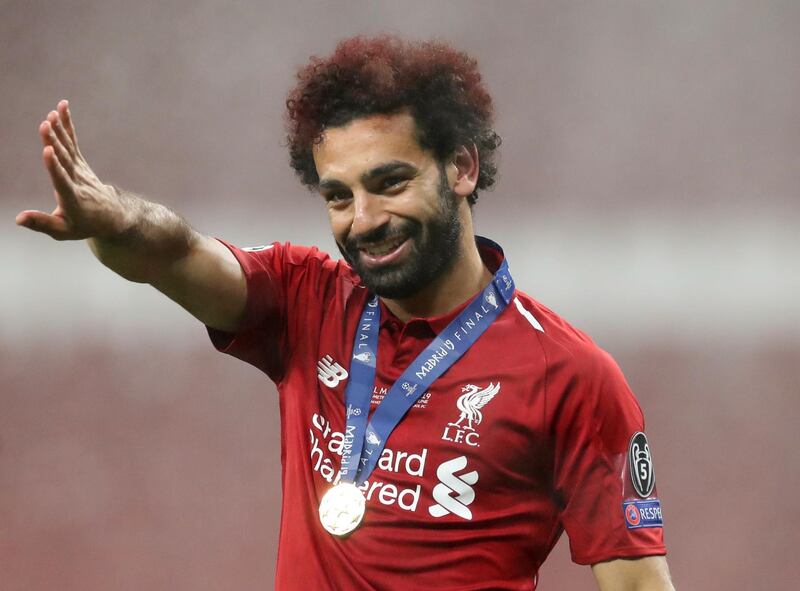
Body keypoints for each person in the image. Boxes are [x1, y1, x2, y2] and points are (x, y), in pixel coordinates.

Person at [17, 36, 674, 591]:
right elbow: (169, 255)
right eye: (339, 195)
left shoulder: (572, 377)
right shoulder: (305, 298)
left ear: (462, 168)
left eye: (389, 183)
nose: (363, 221)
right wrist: (116, 221)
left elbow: (641, 585)